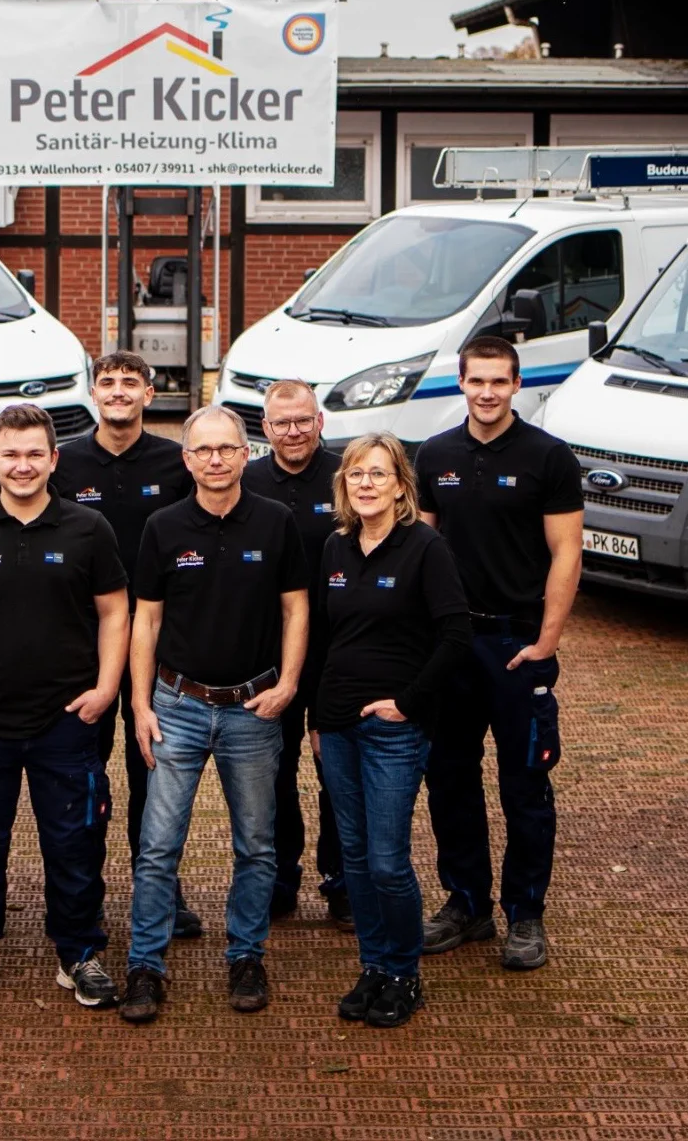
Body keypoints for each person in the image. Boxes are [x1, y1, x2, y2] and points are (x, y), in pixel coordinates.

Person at [0, 404, 129, 1011]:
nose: (23, 465)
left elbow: (116, 611)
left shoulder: (89, 530)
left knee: (76, 843)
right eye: (10, 454)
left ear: (53, 459)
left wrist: (106, 689)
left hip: (66, 720)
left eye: (34, 454)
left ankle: (79, 951)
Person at [120, 405, 310, 1025]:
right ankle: (145, 965)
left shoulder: (277, 522)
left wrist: (287, 686)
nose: (215, 461)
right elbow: (144, 620)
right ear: (187, 459)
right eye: (202, 451)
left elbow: (295, 610)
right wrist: (140, 704)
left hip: (253, 708)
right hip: (176, 705)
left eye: (226, 449)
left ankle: (246, 956)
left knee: (257, 845)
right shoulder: (163, 527)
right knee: (156, 846)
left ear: (244, 453)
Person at [416, 335, 583, 971]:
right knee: (449, 779)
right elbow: (422, 550)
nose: (487, 392)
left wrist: (546, 640)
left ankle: (526, 914)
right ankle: (467, 904)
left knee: (525, 784)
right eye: (476, 381)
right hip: (453, 646)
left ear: (517, 386)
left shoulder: (549, 458)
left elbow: (568, 552)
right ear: (460, 383)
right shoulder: (435, 455)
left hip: (518, 645)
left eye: (499, 382)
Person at [314, 433, 471, 1028]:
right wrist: (316, 721)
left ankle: (405, 972)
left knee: (386, 861)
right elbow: (328, 640)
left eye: (378, 474)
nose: (366, 484)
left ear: (401, 484)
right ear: (345, 485)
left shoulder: (424, 548)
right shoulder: (335, 548)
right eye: (356, 474)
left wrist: (406, 704)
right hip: (337, 727)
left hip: (392, 731)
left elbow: (456, 636)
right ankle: (375, 967)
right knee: (353, 859)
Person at [54, 350, 202, 938]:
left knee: (154, 770)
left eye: (130, 383)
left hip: (160, 640)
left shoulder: (176, 463)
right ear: (93, 391)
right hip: (80, 643)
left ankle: (161, 890)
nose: (118, 391)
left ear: (148, 393)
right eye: (107, 382)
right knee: (82, 773)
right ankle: (81, 897)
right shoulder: (63, 463)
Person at [242, 378, 349, 930]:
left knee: (339, 770)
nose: (293, 432)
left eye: (303, 420)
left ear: (319, 421)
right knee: (273, 771)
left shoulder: (346, 477)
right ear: (265, 428)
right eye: (281, 422)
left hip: (338, 649)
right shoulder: (247, 479)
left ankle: (341, 880)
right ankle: (280, 877)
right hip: (270, 653)